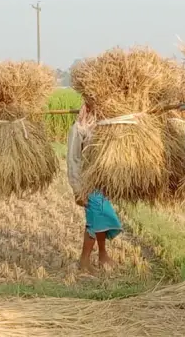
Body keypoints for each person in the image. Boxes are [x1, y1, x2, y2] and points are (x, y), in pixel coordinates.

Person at [66, 101, 123, 273]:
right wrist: (77, 189)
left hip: (101, 182)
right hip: (86, 183)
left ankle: (103, 255)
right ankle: (84, 261)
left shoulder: (103, 125)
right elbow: (73, 160)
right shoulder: (78, 129)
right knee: (95, 221)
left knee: (101, 220)